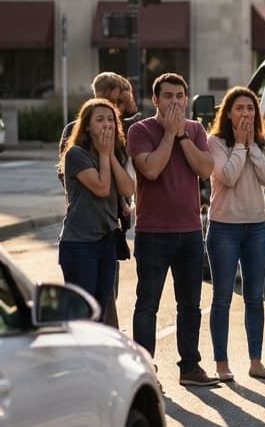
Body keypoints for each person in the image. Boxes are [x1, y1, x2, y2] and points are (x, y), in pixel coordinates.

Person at [128, 72, 220, 387]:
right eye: (168, 96)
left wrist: (181, 136)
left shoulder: (195, 130)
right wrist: (169, 134)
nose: (175, 102)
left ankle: (190, 367)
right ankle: (144, 370)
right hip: (153, 232)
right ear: (155, 99)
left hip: (190, 231)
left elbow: (205, 169)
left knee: (190, 305)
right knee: (147, 304)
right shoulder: (140, 130)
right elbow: (151, 169)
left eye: (180, 96)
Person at [206, 86, 265, 382]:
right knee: (222, 297)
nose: (246, 113)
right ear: (228, 113)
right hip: (224, 227)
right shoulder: (215, 142)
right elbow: (228, 177)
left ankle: (256, 361)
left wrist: (252, 148)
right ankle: (221, 363)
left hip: (256, 227)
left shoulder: (264, 141)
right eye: (239, 108)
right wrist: (239, 145)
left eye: (250, 108)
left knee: (255, 297)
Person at [58, 72, 142, 328]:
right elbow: (103, 188)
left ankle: (104, 351)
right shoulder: (76, 154)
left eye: (111, 119)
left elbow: (128, 188)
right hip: (80, 242)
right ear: (86, 126)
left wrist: (111, 154)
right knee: (84, 314)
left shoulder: (112, 151)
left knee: (104, 305)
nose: (107, 124)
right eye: (100, 119)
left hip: (106, 239)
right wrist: (105, 154)